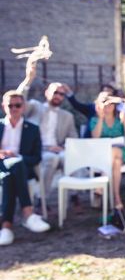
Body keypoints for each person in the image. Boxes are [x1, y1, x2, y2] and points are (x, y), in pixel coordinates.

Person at [17, 62, 79, 205]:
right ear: (47, 92)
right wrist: (28, 79)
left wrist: (63, 147)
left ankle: (74, 195)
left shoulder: (67, 115)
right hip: (39, 151)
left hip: (59, 149)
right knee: (51, 159)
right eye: (55, 92)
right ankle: (41, 199)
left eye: (61, 94)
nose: (58, 96)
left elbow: (73, 138)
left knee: (68, 158)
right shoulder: (34, 107)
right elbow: (18, 100)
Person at [0, 91, 50, 246]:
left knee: (14, 168)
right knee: (11, 168)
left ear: (24, 107)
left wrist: (17, 156)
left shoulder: (33, 129)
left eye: (17, 105)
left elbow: (37, 157)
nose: (14, 108)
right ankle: (28, 214)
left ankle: (6, 226)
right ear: (3, 107)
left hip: (22, 168)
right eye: (10, 105)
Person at [89, 92, 125, 211]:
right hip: (101, 155)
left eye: (111, 104)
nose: (108, 107)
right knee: (116, 161)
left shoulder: (119, 119)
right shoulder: (94, 120)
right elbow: (95, 137)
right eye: (105, 104)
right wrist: (101, 118)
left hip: (120, 151)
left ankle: (100, 188)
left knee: (115, 152)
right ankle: (116, 198)